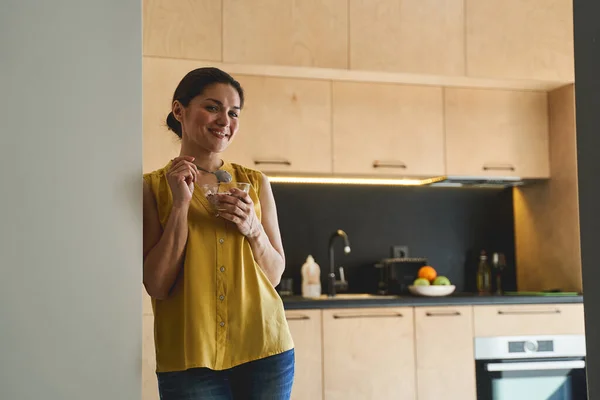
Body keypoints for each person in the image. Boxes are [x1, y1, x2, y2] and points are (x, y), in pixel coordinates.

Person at [142, 67, 295, 399]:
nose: (224, 120)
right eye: (212, 107)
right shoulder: (153, 188)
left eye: (233, 112)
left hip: (265, 351)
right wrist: (181, 206)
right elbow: (157, 284)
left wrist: (253, 229)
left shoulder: (255, 183)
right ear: (179, 110)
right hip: (189, 359)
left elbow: (275, 275)